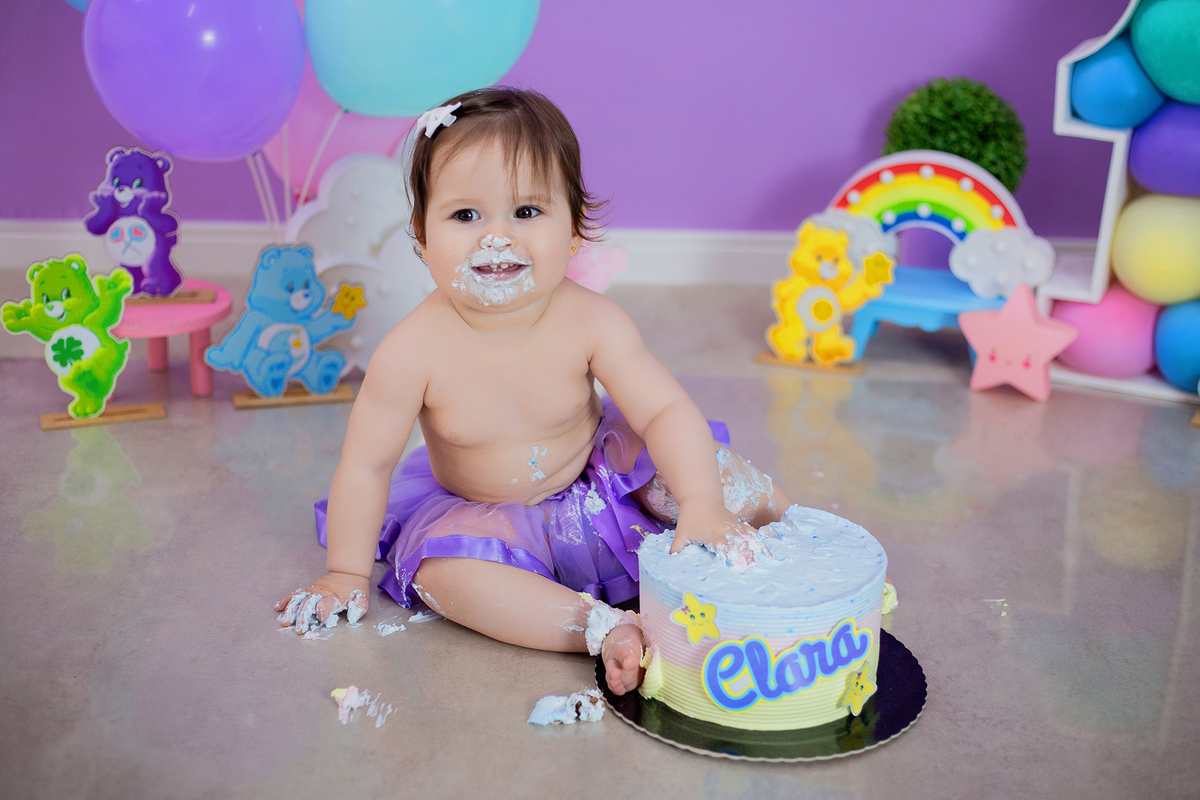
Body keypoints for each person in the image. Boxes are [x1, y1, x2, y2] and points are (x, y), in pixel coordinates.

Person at [275, 88, 790, 695]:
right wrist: (344, 572)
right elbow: (366, 465)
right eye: (466, 216)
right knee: (442, 572)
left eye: (526, 211)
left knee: (689, 460)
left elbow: (665, 409)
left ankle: (791, 527)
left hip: (597, 480)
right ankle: (599, 626)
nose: (496, 237)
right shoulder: (410, 352)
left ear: (574, 229)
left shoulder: (592, 321)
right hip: (487, 515)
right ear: (421, 235)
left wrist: (699, 498)